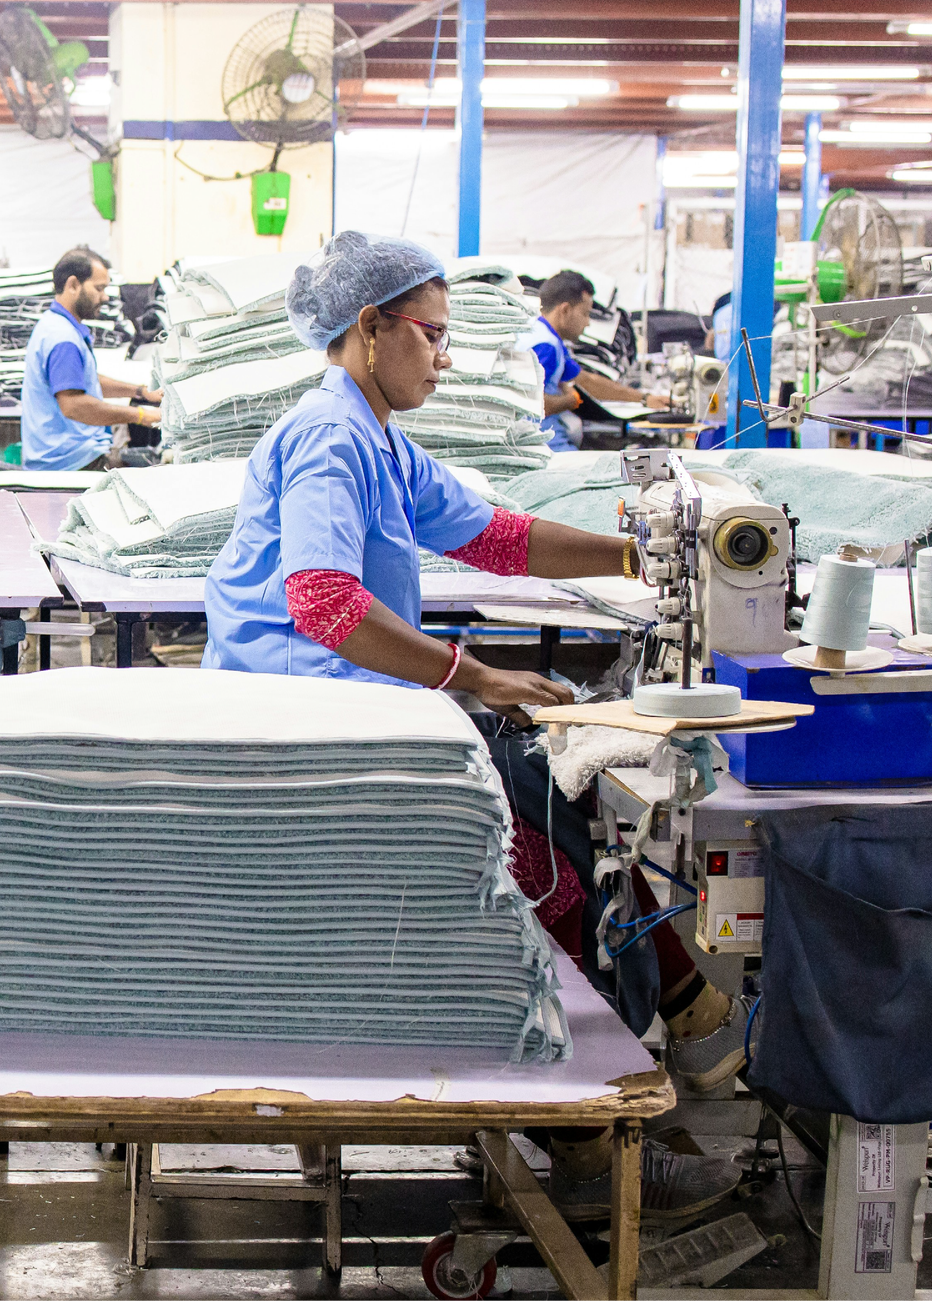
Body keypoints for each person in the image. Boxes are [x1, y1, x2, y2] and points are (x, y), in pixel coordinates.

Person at [199, 231, 750, 1176]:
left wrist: (637, 555)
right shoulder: (331, 436)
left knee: (551, 796)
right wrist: (477, 677)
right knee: (537, 841)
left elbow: (495, 536)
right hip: (305, 718)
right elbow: (324, 605)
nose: (446, 360)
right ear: (369, 329)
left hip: (360, 700)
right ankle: (587, 1121)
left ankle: (673, 1027)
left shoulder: (377, 436)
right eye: (433, 336)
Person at [20, 247, 160, 471]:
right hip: (71, 462)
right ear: (73, 285)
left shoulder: (55, 325)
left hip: (68, 457)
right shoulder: (62, 338)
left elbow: (84, 381)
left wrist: (140, 392)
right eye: (99, 288)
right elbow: (74, 405)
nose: (104, 296)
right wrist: (140, 415)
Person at [528, 270, 669, 451]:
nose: (587, 323)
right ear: (565, 310)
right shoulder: (545, 346)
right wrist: (570, 400)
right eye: (585, 314)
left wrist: (644, 398)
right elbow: (534, 404)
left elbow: (587, 381)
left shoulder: (544, 336)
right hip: (546, 446)